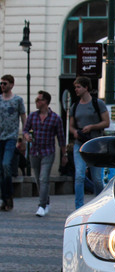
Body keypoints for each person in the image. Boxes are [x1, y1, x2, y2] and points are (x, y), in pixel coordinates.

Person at [23, 90, 66, 217]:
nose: (36, 102)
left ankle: (41, 206)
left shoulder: (55, 118)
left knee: (44, 178)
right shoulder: (32, 116)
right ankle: (46, 202)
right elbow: (25, 129)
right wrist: (26, 136)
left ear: (45, 101)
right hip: (34, 151)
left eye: (38, 100)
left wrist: (64, 155)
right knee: (38, 179)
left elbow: (61, 138)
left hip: (48, 152)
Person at [69, 76, 110, 209]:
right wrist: (75, 131)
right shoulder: (74, 106)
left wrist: (91, 127)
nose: (76, 89)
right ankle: (79, 207)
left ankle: (99, 205)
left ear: (86, 88)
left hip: (95, 145)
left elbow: (106, 122)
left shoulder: (98, 104)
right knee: (79, 176)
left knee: (97, 179)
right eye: (75, 87)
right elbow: (71, 125)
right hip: (79, 144)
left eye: (78, 87)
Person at [0, 74, 26, 211]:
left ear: (11, 84)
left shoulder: (17, 100)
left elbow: (23, 118)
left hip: (11, 137)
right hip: (0, 138)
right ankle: (4, 199)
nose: (2, 86)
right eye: (1, 83)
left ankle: (8, 196)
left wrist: (24, 136)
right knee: (1, 169)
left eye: (4, 83)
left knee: (6, 165)